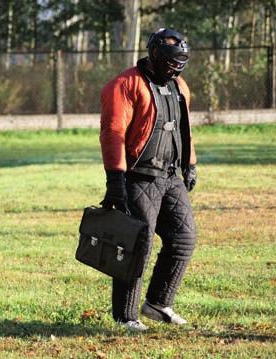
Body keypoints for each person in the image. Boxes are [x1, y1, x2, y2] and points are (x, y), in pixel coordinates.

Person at [99, 28, 197, 331]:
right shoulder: (125, 85)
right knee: (137, 245)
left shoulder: (180, 87)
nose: (175, 66)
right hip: (138, 178)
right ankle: (126, 316)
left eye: (180, 60)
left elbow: (184, 128)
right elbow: (112, 133)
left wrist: (190, 164)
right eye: (171, 60)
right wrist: (115, 179)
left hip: (170, 176)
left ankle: (158, 303)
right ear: (155, 53)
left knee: (183, 239)